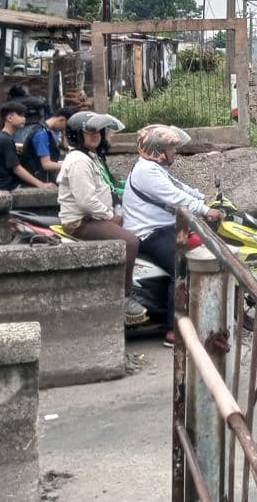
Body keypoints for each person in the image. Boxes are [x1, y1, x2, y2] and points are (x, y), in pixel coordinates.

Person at [122, 124, 223, 347]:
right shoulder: (146, 172)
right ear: (158, 151)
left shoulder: (153, 168)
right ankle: (174, 331)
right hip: (149, 233)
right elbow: (174, 197)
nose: (174, 152)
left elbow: (179, 187)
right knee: (182, 268)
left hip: (164, 227)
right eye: (171, 149)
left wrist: (201, 196)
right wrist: (205, 211)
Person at [58, 111, 147, 325]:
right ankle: (125, 296)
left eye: (98, 131)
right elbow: (86, 201)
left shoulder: (92, 156)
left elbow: (108, 187)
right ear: (77, 135)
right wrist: (110, 217)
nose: (95, 135)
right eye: (89, 132)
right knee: (130, 241)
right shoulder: (79, 160)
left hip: (95, 217)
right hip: (81, 222)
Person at [0, 101, 55, 191]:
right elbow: (17, 169)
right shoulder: (6, 140)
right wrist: (41, 184)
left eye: (24, 116)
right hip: (5, 186)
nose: (24, 119)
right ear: (9, 118)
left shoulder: (1, 137)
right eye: (20, 115)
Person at [20, 107, 71, 183]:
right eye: (66, 127)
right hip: (37, 180)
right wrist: (70, 165)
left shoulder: (47, 131)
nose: (64, 130)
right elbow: (46, 165)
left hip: (44, 178)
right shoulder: (41, 133)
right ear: (61, 120)